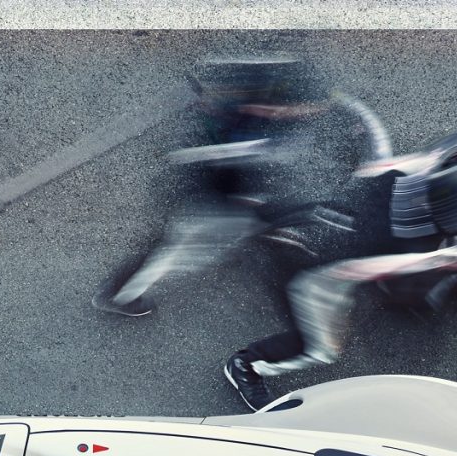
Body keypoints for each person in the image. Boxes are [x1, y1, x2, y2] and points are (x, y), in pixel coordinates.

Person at [222, 136, 457, 410]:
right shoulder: (425, 251)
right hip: (321, 270)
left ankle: (265, 222)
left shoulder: (410, 174)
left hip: (327, 215)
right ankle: (247, 365)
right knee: (322, 349)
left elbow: (387, 167)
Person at [94, 55, 381, 318]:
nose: (306, 112)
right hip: (212, 201)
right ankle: (118, 296)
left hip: (220, 186)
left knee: (239, 226)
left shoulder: (245, 109)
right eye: (301, 108)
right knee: (179, 251)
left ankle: (268, 235)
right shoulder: (245, 140)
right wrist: (253, 204)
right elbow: (227, 175)